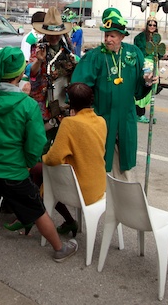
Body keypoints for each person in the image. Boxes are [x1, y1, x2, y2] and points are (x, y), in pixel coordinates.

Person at [0, 47, 78, 302]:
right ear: (20, 74)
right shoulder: (27, 105)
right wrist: (22, 163)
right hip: (15, 173)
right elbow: (35, 147)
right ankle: (60, 249)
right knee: (37, 210)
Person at [71, 7, 157, 181]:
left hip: (126, 118)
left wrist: (148, 82)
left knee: (125, 158)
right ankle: (99, 193)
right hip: (102, 117)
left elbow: (140, 90)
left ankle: (123, 195)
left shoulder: (134, 54)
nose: (108, 39)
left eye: (113, 36)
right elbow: (79, 86)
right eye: (106, 35)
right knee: (100, 157)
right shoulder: (94, 56)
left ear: (122, 36)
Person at [43, 82, 107, 237]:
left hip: (80, 190)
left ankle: (65, 220)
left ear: (70, 103)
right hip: (98, 187)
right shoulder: (101, 121)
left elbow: (53, 159)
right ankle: (67, 221)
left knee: (40, 173)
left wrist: (43, 157)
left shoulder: (69, 123)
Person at [28, 7, 77, 145]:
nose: (54, 37)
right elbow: (31, 73)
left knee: (61, 143)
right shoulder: (38, 48)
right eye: (50, 33)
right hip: (41, 104)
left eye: (57, 34)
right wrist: (39, 60)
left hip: (61, 103)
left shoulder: (68, 51)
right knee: (40, 141)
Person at [133, 18, 165, 123]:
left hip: (154, 65)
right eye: (150, 25)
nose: (152, 27)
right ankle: (139, 114)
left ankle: (145, 114)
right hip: (145, 65)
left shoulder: (156, 38)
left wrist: (160, 54)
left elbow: (159, 52)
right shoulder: (140, 37)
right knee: (145, 86)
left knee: (152, 90)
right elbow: (138, 50)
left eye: (154, 25)